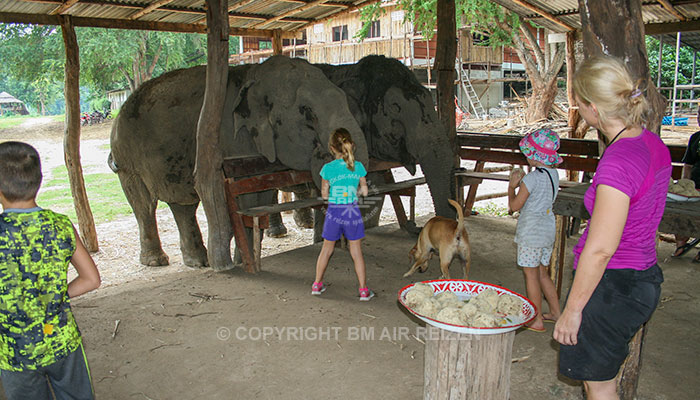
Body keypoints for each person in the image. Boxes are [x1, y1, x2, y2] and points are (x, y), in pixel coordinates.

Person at [555, 56, 670, 400]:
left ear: (592, 108)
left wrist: (572, 311)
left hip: (613, 287)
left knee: (599, 385)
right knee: (603, 378)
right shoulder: (651, 143)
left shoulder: (618, 162)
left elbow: (601, 249)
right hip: (642, 277)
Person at [0, 141, 101, 400]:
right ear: (39, 180)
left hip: (14, 353)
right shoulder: (61, 225)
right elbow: (91, 280)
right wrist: (55, 294)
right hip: (62, 341)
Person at [508, 128, 562, 332]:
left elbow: (514, 206)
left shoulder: (531, 179)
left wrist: (512, 186)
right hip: (547, 229)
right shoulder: (554, 174)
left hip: (531, 232)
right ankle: (556, 313)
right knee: (542, 274)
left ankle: (536, 319)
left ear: (533, 155)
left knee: (530, 275)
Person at [312, 128, 374, 301]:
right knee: (356, 252)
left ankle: (317, 284)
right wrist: (356, 192)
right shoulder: (358, 166)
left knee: (326, 250)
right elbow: (365, 191)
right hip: (352, 212)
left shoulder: (327, 168)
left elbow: (324, 195)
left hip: (333, 212)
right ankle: (363, 290)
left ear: (332, 148)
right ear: (351, 145)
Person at [671, 106, 700, 261]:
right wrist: (684, 185)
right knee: (679, 210)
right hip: (695, 187)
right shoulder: (695, 138)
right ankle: (681, 244)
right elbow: (688, 165)